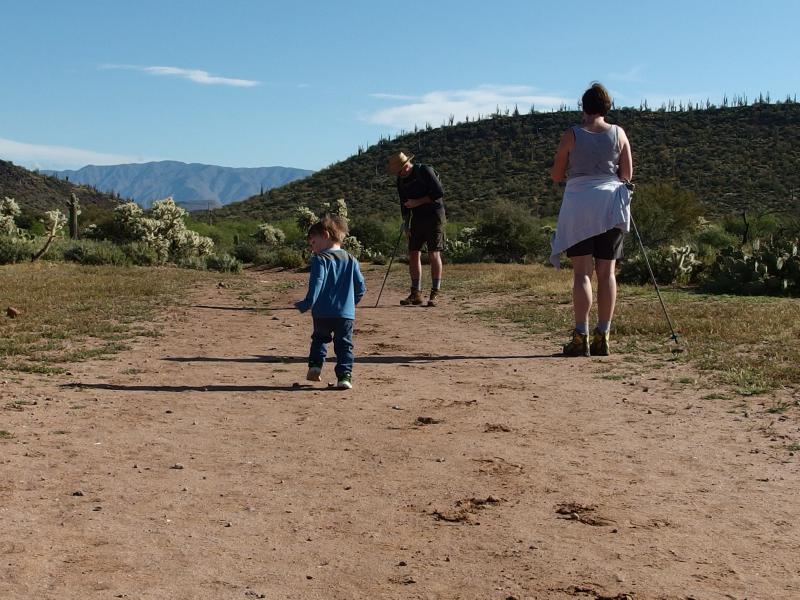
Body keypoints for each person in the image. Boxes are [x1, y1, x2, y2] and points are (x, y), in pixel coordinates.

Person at [549, 82, 634, 357]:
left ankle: (580, 336)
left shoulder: (571, 134)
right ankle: (604, 334)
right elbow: (627, 175)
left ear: (583, 107)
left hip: (579, 205)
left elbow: (556, 175)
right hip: (611, 205)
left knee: (582, 273)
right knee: (607, 273)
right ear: (607, 107)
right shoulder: (619, 133)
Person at [295, 215, 366, 389]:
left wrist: (308, 302)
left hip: (321, 312)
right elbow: (361, 287)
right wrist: (351, 303)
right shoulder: (352, 260)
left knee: (319, 339)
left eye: (313, 242)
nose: (312, 248)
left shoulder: (320, 259)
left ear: (325, 235)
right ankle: (344, 377)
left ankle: (315, 366)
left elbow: (317, 283)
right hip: (345, 314)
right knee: (344, 345)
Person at [386, 151, 446, 307]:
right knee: (413, 253)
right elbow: (404, 203)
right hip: (416, 219)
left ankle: (435, 293)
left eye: (399, 171)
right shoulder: (400, 180)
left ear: (406, 165)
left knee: (434, 253)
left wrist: (417, 202)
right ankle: (415, 293)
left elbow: (439, 193)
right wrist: (406, 225)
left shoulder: (425, 171)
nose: (398, 175)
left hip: (434, 217)